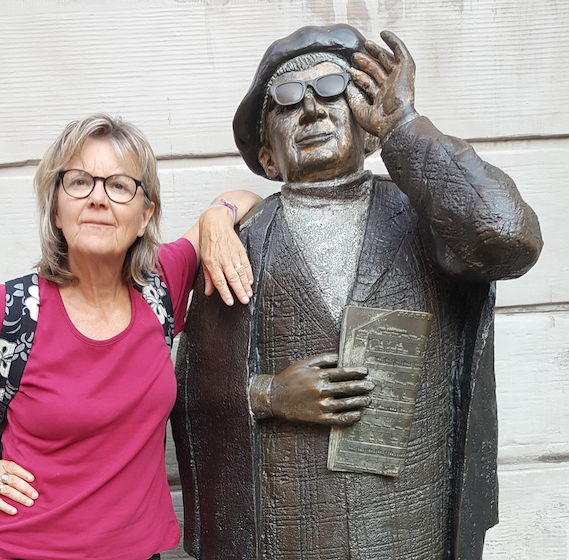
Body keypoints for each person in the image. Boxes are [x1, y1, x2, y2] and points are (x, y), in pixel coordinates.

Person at [172, 24, 542, 560]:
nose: (312, 109)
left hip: (411, 522)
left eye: (331, 90)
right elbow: (190, 394)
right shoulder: (237, 246)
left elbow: (508, 238)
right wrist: (270, 394)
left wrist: (404, 126)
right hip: (290, 526)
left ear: (369, 131)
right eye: (287, 99)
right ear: (268, 157)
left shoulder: (429, 220)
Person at [0, 114, 261, 560]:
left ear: (144, 216)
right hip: (23, 551)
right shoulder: (14, 310)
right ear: (56, 209)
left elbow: (245, 197)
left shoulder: (162, 284)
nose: (98, 198)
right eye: (79, 182)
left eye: (119, 185)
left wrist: (216, 218)